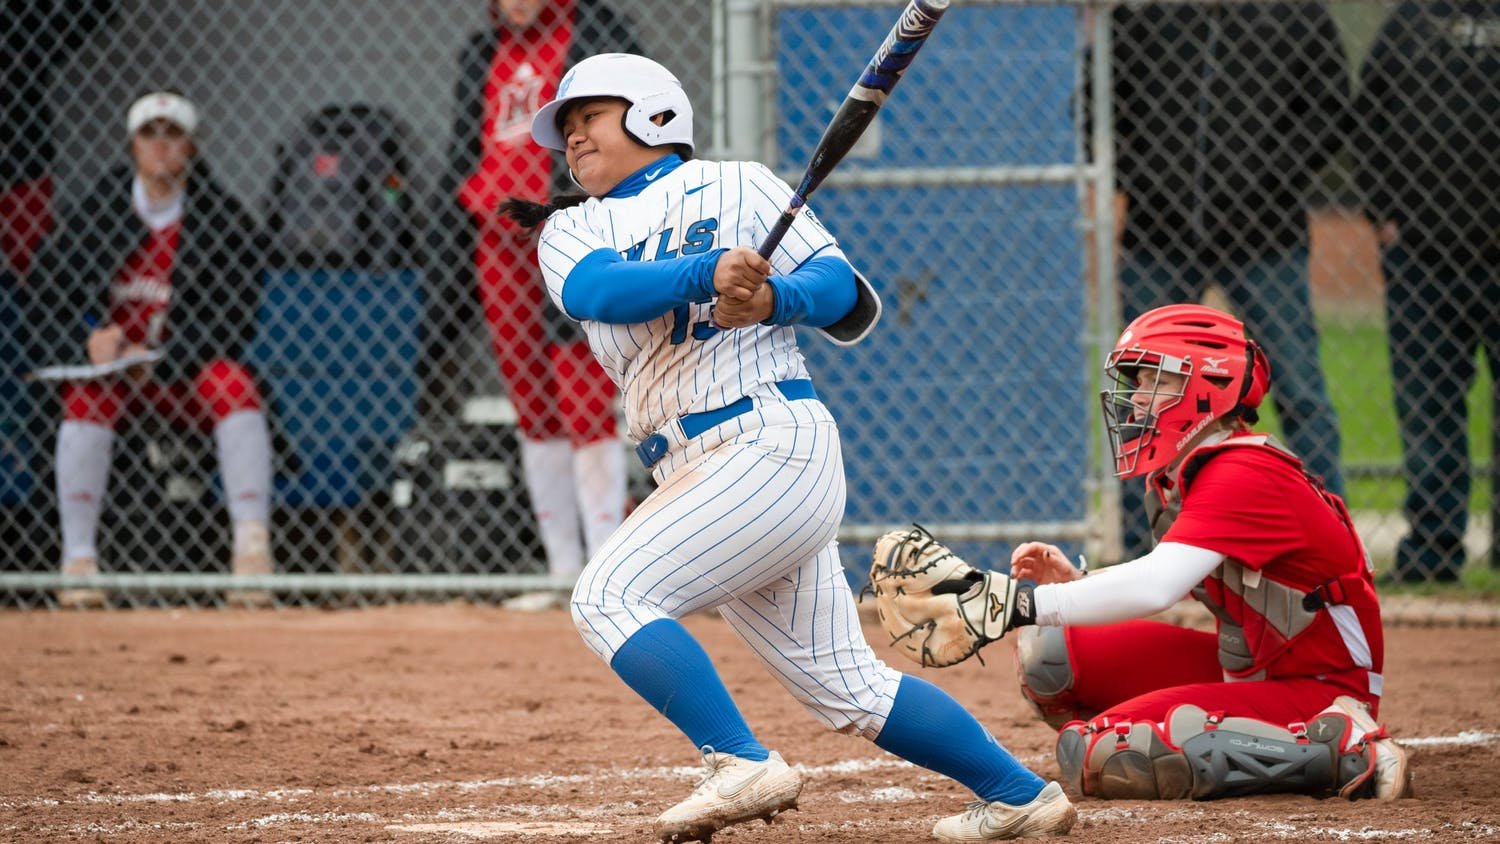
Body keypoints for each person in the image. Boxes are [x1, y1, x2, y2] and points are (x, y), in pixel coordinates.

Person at [499, 53, 1076, 842]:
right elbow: (598, 290)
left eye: (588, 118)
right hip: (692, 467)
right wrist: (708, 270)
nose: (572, 139)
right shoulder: (572, 226)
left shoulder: (741, 184)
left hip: (768, 441)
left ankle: (738, 761)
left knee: (609, 595)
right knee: (848, 688)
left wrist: (775, 297)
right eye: (564, 128)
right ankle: (1018, 795)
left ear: (651, 116)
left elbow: (845, 293)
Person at [872, 304, 1412, 804]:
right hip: (1253, 671)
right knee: (1053, 651)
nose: (1136, 397)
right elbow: (1176, 573)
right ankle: (1210, 732)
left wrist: (1022, 602)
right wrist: (1073, 585)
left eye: (1156, 380)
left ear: (1208, 384)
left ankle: (1338, 749)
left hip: (1319, 690)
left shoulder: (1243, 471)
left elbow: (1159, 586)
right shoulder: (1185, 473)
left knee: (1099, 753)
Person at [1104, 1, 1351, 559]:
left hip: (1265, 235)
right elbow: (1102, 105)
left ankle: (1329, 542)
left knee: (1301, 391)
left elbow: (1330, 111)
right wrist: (1151, 180)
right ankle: (1143, 550)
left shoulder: (1295, 15)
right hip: (1158, 236)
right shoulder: (1144, 15)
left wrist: (1264, 180)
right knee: (1141, 397)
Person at [27, 90, 273, 608]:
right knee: (83, 395)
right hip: (115, 377)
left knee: (234, 384)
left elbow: (234, 322)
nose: (161, 147)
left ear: (192, 147)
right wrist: (88, 342)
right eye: (149, 135)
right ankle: (79, 564)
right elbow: (45, 303)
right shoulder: (97, 213)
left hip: (178, 373)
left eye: (173, 135)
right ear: (132, 145)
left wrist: (162, 358)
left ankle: (251, 554)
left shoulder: (221, 219)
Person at [443, 0, 639, 606]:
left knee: (580, 392)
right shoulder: (482, 50)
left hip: (568, 225)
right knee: (529, 397)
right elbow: (463, 147)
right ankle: (562, 572)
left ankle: (605, 577)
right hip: (496, 237)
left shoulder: (597, 31)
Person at [1351, 0, 1500, 582]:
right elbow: (1369, 121)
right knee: (1427, 408)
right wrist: (1384, 213)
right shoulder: (1411, 19)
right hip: (1422, 256)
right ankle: (1433, 553)